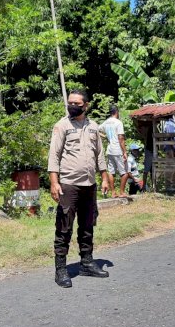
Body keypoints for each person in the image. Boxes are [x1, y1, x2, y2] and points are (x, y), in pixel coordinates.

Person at [48, 89, 111, 288]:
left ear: (86, 105)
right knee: (64, 227)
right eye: (70, 103)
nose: (72, 106)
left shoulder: (93, 127)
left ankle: (87, 262)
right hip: (68, 184)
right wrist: (54, 182)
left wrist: (104, 178)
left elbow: (99, 154)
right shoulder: (62, 126)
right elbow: (54, 156)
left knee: (87, 225)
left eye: (76, 103)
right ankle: (61, 269)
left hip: (89, 184)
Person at [100, 105, 128, 198]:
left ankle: (113, 193)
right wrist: (124, 152)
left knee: (111, 172)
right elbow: (121, 138)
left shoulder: (106, 122)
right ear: (117, 112)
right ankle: (122, 192)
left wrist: (106, 137)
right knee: (124, 172)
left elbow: (97, 130)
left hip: (110, 150)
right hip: (117, 150)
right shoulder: (118, 123)